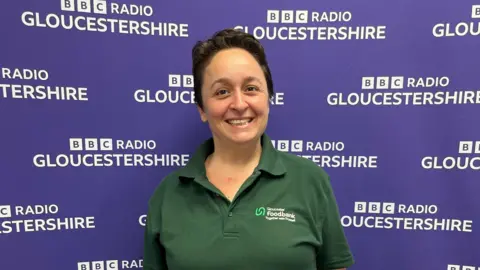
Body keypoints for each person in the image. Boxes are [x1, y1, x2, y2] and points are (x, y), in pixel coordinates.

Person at [143, 28, 354, 270]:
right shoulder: (168, 195)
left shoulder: (310, 181)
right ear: (202, 109)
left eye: (251, 88)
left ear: (268, 98)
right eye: (222, 92)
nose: (239, 104)